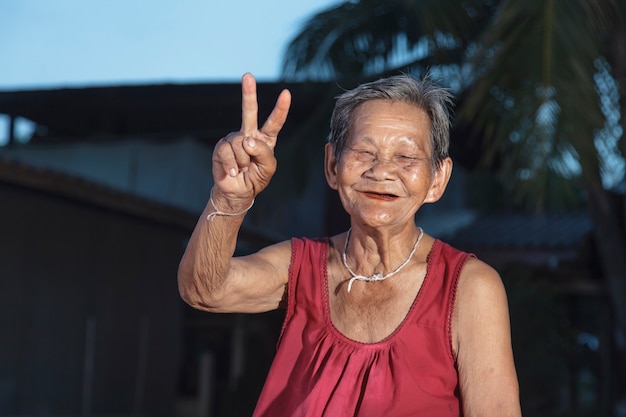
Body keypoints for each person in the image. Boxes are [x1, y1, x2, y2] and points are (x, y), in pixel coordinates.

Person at [178, 72, 522, 417]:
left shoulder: (470, 288)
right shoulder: (301, 266)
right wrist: (230, 198)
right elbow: (204, 290)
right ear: (332, 165)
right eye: (364, 151)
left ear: (437, 179)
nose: (382, 170)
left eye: (406, 157)